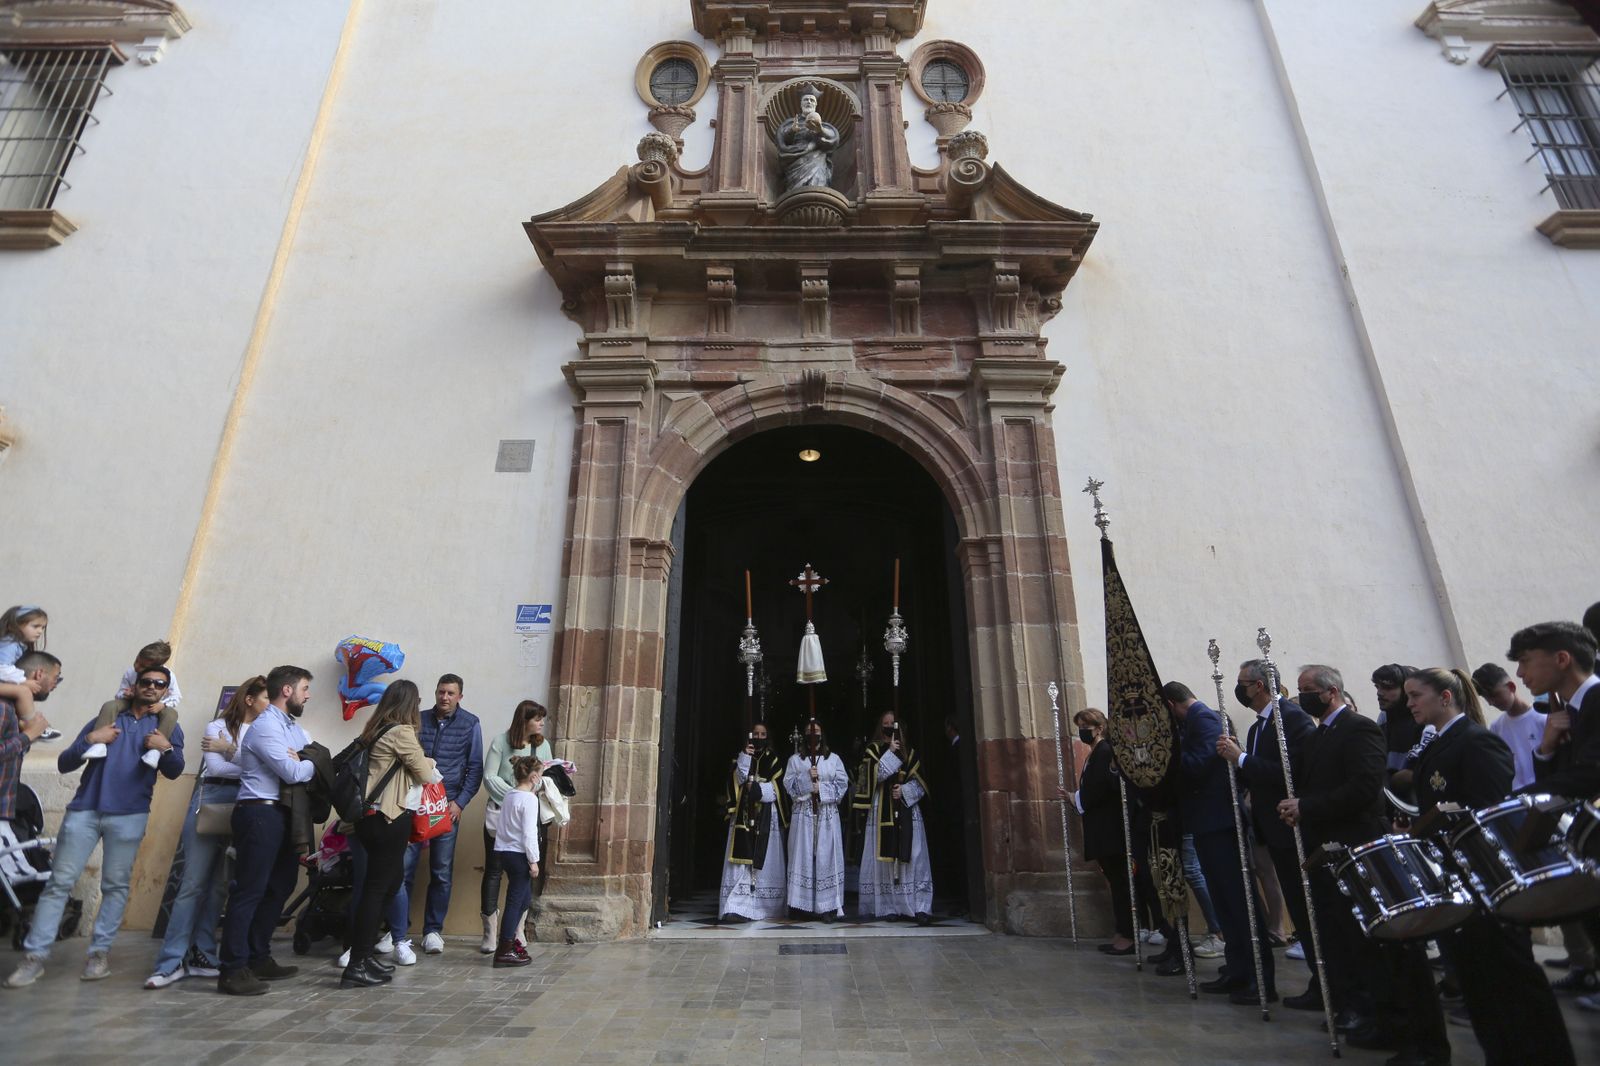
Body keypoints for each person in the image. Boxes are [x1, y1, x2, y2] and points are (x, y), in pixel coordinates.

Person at [1277, 663, 1447, 1064]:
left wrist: (1308, 806)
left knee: (1370, 940)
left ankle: (1394, 1021)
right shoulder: (1322, 733)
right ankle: (1376, 1017)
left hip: (1357, 843)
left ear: (1330, 691)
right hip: (1329, 849)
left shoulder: (1359, 729)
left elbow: (1364, 787)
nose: (1300, 696)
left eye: (1305, 689)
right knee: (1348, 939)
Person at [1405, 666, 1574, 1066]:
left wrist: (1442, 820)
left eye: (1416, 695)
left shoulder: (1476, 742)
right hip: (1457, 881)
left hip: (1486, 879)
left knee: (1513, 983)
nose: (1409, 703)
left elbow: (1491, 811)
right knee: (1479, 986)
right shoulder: (1436, 745)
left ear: (1445, 698)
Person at [4, 664, 184, 988]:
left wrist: (166, 748)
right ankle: (34, 958)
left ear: (166, 691)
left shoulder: (167, 727)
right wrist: (92, 739)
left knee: (115, 886)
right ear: (135, 685)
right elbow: (64, 763)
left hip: (130, 815)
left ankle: (98, 955)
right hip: (84, 811)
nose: (152, 688)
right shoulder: (107, 717)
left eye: (160, 684)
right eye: (147, 682)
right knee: (58, 884)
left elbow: (174, 770)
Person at [146, 676, 269, 989]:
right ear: (250, 699)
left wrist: (229, 749)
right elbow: (216, 769)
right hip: (213, 800)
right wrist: (240, 756)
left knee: (219, 887)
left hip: (244, 804)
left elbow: (264, 767)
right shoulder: (217, 726)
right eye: (265, 698)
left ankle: (203, 954)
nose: (270, 704)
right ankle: (170, 961)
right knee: (192, 884)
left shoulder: (259, 731)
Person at [1161, 682, 1276, 1005]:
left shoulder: (1206, 720)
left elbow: (1199, 764)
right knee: (1225, 903)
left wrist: (1165, 758)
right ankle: (1238, 969)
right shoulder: (1195, 722)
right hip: (1206, 822)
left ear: (1171, 705)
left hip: (1221, 821)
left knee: (1239, 902)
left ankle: (1259, 978)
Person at [1216, 659, 1319, 1006]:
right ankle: (1318, 985)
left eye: (1242, 682)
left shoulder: (1290, 718)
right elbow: (1255, 775)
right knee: (1297, 903)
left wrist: (1241, 759)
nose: (1239, 688)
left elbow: (1291, 773)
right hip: (1268, 828)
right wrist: (1236, 763)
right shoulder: (1258, 726)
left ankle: (1326, 984)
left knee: (1308, 909)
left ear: (1259, 686)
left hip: (1290, 826)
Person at [217, 664, 316, 996]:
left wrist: (307, 758)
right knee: (249, 890)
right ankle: (232, 968)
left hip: (282, 815)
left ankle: (259, 957)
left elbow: (313, 750)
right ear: (287, 691)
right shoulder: (264, 728)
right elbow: (292, 770)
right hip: (259, 813)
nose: (308, 695)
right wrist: (309, 763)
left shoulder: (290, 727)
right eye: (304, 688)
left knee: (280, 886)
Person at [341, 680, 438, 989]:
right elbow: (425, 774)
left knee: (389, 882)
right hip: (388, 817)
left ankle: (365, 955)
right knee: (377, 888)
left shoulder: (375, 729)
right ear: (410, 704)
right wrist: (429, 762)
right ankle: (357, 963)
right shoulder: (401, 732)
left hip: (370, 819)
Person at [388, 673, 482, 963]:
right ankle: (397, 933)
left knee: (441, 870)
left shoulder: (471, 723)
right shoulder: (417, 719)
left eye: (451, 693)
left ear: (460, 696)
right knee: (403, 869)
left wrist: (460, 803)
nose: (445, 697)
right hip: (414, 805)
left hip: (447, 808)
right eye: (441, 692)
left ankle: (433, 931)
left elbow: (475, 767)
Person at [480, 699, 550, 952]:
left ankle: (516, 929)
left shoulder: (543, 746)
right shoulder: (501, 742)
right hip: (501, 814)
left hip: (530, 816)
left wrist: (528, 792)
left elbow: (547, 777)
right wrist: (515, 794)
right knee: (494, 871)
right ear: (524, 720)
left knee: (523, 875)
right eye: (537, 718)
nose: (542, 723)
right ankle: (490, 931)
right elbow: (489, 776)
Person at [1063, 707, 1134, 955]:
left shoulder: (1104, 752)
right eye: (1080, 726)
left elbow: (1101, 787)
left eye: (1085, 726)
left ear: (1099, 727)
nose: (1082, 731)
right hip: (1102, 827)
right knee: (1115, 881)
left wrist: (1075, 799)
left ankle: (1128, 933)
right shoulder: (1096, 752)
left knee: (1121, 882)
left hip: (1109, 829)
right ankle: (1121, 931)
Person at [852, 712, 933, 922]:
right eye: (885, 724)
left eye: (892, 724)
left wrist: (905, 791)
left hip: (906, 808)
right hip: (881, 809)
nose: (888, 727)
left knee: (913, 854)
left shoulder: (910, 753)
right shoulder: (873, 750)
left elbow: (921, 783)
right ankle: (888, 906)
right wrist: (889, 753)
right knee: (884, 860)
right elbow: (869, 778)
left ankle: (918, 906)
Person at [718, 722, 789, 922]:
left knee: (765, 861)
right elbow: (737, 780)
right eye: (756, 734)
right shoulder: (742, 756)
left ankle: (767, 908)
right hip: (743, 815)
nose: (759, 737)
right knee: (741, 863)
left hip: (766, 815)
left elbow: (778, 789)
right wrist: (745, 757)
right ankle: (737, 907)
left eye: (763, 734)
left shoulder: (773, 760)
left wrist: (757, 789)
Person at [785, 719, 848, 921]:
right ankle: (800, 905)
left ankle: (827, 906)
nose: (814, 735)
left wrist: (820, 787)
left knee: (825, 857)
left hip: (827, 815)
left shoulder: (834, 759)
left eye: (817, 731)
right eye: (809, 732)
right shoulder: (795, 760)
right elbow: (789, 787)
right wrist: (806, 779)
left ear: (823, 735)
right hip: (803, 815)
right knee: (802, 855)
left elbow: (842, 785)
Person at [86, 640, 182, 768]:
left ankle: (154, 751)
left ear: (156, 666)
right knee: (110, 705)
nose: (137, 667)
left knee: (171, 714)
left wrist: (163, 705)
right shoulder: (130, 672)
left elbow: (176, 696)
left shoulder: (169, 676)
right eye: (137, 661)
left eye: (142, 666)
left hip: (156, 706)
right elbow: (119, 694)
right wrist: (127, 695)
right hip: (130, 703)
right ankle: (99, 745)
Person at [491, 756, 543, 967]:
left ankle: (511, 942)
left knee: (524, 898)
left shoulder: (510, 795)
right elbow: (529, 833)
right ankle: (504, 948)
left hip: (504, 851)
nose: (541, 778)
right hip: (519, 853)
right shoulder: (529, 800)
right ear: (533, 777)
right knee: (515, 901)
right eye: (539, 774)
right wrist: (533, 860)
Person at [0, 651, 59, 823]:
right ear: (39, 674)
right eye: (56, 678)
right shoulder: (3, 707)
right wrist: (29, 735)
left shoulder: (15, 708)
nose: (56, 685)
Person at [0, 605, 57, 741]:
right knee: (23, 692)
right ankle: (31, 725)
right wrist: (23, 681)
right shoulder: (9, 645)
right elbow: (1, 668)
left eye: (42, 628)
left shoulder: (16, 644)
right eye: (35, 626)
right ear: (15, 626)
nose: (39, 631)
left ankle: (24, 720)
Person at [776, 84, 840, 190]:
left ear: (816, 104)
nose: (809, 102)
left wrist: (820, 130)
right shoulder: (791, 123)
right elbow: (781, 141)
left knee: (816, 185)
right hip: (795, 160)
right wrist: (792, 131)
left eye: (812, 100)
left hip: (816, 160)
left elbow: (834, 138)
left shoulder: (823, 126)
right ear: (801, 104)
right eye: (806, 100)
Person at [1372, 664, 1423, 776]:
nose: (1379, 693)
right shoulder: (1384, 716)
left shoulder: (1421, 718)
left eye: (1387, 687)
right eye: (1377, 687)